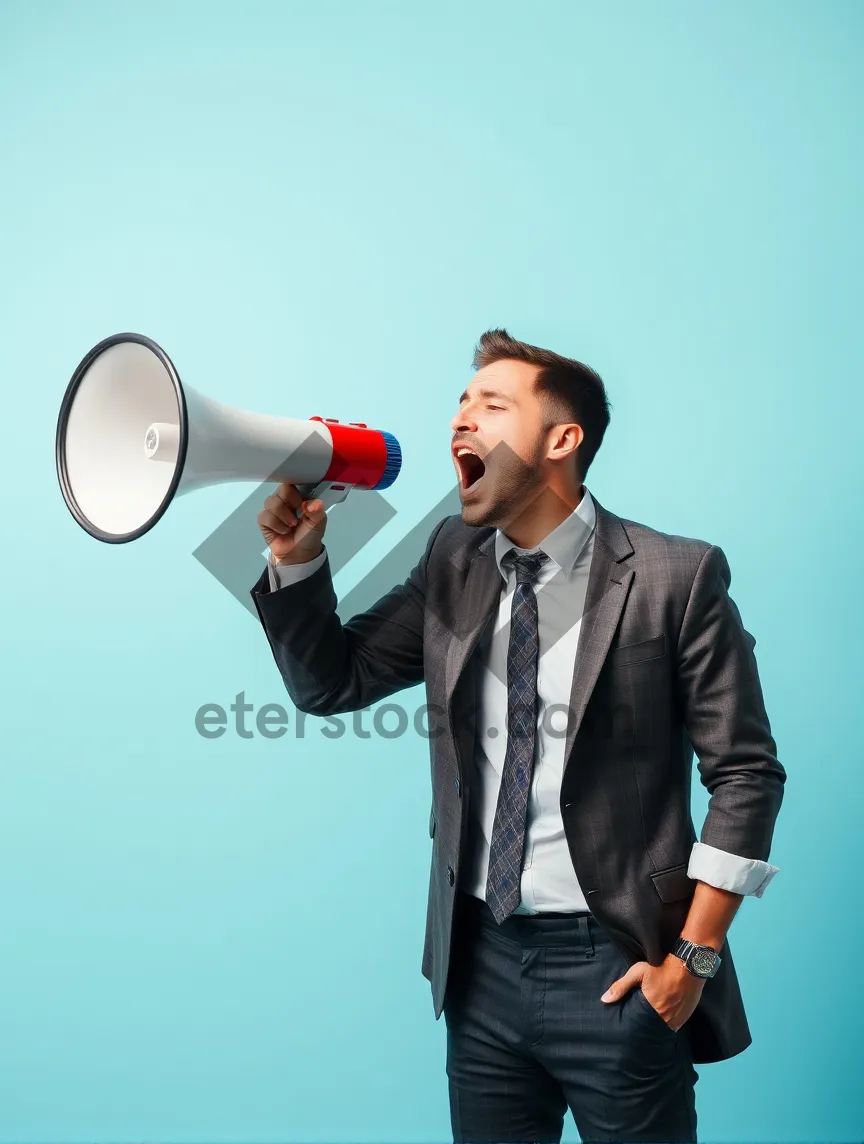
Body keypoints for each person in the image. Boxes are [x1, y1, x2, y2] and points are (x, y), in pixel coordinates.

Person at [249, 328, 786, 1144]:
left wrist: (694, 961)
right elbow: (334, 681)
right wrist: (295, 561)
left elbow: (746, 771)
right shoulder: (453, 557)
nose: (461, 422)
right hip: (481, 968)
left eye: (492, 405)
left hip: (618, 964)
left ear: (561, 440)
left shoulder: (679, 575)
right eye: (460, 404)